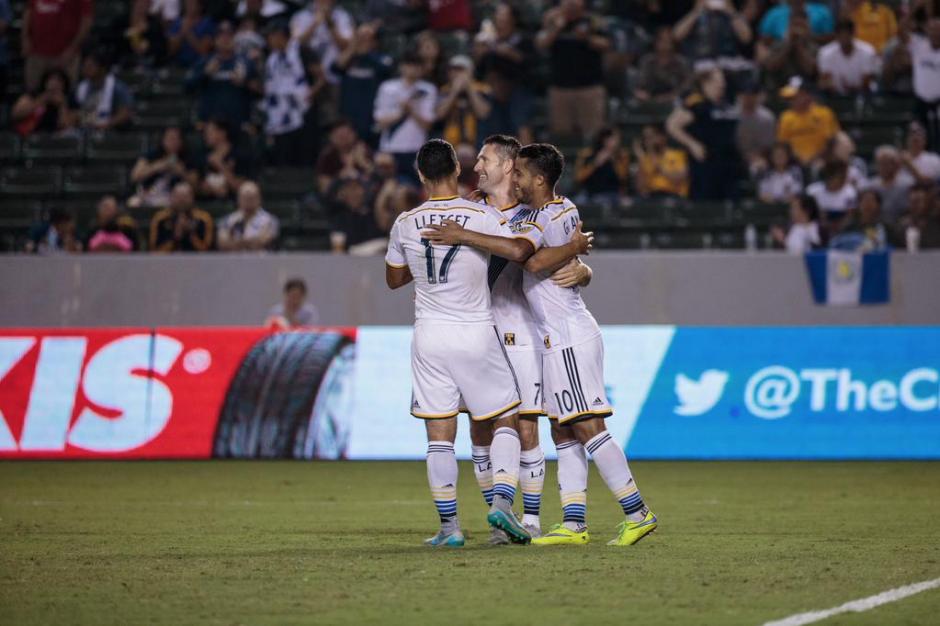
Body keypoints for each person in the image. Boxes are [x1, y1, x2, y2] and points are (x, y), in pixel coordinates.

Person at [428, 142, 657, 547]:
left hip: (565, 333)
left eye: (518, 172)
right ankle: (573, 522)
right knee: (563, 430)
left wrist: (577, 259)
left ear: (536, 178)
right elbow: (554, 251)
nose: (513, 177)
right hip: (554, 334)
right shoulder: (564, 207)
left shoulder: (541, 215)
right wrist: (577, 256)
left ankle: (636, 511)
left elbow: (527, 257)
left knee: (586, 426)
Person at [384, 138, 539, 547]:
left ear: (420, 175)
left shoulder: (404, 222)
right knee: (505, 418)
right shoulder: (480, 215)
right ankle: (503, 504)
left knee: (439, 435)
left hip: (429, 334)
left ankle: (450, 528)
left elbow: (394, 279)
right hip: (474, 329)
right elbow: (519, 250)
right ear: (458, 169)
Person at [468, 134, 593, 542]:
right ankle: (496, 517)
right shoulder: (469, 211)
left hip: (521, 329)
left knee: (526, 425)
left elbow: (560, 259)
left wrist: (586, 271)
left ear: (508, 168)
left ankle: (532, 517)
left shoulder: (534, 213)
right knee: (479, 427)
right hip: (474, 331)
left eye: (484, 159)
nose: (476, 167)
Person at [535, 0, 611, 140]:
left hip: (589, 87)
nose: (570, 4)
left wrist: (587, 38)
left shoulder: (593, 20)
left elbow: (607, 44)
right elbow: (541, 44)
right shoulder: (552, 20)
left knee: (593, 135)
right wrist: (556, 29)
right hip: (560, 88)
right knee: (561, 136)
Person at [666, 68, 740, 200]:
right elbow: (672, 125)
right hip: (705, 162)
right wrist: (693, 144)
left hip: (727, 162)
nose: (721, 84)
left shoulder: (726, 102)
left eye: (722, 80)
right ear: (705, 83)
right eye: (717, 80)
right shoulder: (697, 103)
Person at [473, 3, 535, 144]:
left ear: (513, 19)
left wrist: (508, 52)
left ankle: (528, 162)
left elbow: (530, 64)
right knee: (493, 130)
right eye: (498, 16)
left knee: (521, 124)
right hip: (494, 91)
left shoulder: (523, 39)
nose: (500, 20)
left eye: (503, 16)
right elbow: (479, 71)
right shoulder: (488, 40)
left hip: (518, 89)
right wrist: (479, 53)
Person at [262, 20, 320, 165]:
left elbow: (321, 76)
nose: (269, 40)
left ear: (280, 36)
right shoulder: (272, 58)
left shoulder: (301, 51)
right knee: (283, 149)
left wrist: (311, 92)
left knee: (304, 148)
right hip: (280, 109)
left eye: (271, 36)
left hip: (302, 107)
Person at [373, 52, 437, 182]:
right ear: (402, 67)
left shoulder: (428, 90)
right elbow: (380, 121)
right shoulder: (388, 88)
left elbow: (428, 125)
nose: (412, 69)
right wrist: (401, 112)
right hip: (390, 148)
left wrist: (411, 110)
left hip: (417, 148)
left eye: (416, 65)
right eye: (409, 64)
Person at [332, 21, 394, 146]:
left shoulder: (382, 58)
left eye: (367, 38)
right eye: (360, 38)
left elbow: (386, 69)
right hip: (348, 114)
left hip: (371, 115)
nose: (363, 41)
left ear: (375, 41)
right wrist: (353, 46)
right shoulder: (349, 57)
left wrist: (365, 53)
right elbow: (336, 68)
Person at [188, 20, 260, 129]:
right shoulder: (204, 62)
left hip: (239, 124)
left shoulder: (246, 62)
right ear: (215, 40)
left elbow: (260, 91)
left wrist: (244, 82)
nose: (225, 39)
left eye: (229, 35)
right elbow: (187, 87)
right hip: (212, 128)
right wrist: (205, 74)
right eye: (221, 36)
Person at [21, 0, 93, 92]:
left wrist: (72, 48)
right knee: (32, 91)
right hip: (36, 51)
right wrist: (25, 37)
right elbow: (28, 11)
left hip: (65, 54)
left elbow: (86, 21)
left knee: (65, 91)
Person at [672, 0, 753, 74]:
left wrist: (731, 11)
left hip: (727, 66)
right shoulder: (695, 15)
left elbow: (746, 38)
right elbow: (676, 35)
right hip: (698, 63)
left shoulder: (732, 16)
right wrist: (696, 12)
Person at [776, 77, 840, 166]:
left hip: (821, 160)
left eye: (794, 97)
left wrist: (814, 158)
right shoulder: (786, 117)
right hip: (794, 162)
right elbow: (784, 144)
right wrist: (796, 159)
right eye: (789, 99)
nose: (791, 101)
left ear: (807, 95)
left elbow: (830, 142)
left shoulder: (823, 113)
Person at [291, 0, 354, 87]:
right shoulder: (301, 16)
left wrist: (330, 23)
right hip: (305, 78)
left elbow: (347, 46)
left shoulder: (343, 16)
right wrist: (315, 24)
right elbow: (296, 44)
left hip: (333, 78)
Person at [130, 126, 196, 209]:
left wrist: (181, 171)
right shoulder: (153, 155)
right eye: (170, 139)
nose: (173, 142)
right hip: (150, 192)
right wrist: (157, 166)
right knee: (133, 202)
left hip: (174, 197)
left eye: (176, 139)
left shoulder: (187, 157)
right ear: (163, 140)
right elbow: (135, 176)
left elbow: (195, 183)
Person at [435, 55, 492, 148]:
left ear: (471, 72)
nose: (456, 73)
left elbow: (483, 113)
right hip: (448, 145)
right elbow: (440, 114)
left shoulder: (483, 89)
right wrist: (454, 92)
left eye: (461, 70)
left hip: (478, 144)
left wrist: (469, 89)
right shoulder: (444, 91)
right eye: (453, 70)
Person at [74, 52, 134, 131]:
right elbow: (76, 111)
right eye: (84, 66)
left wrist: (107, 124)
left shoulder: (117, 87)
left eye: (90, 66)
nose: (86, 69)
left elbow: (126, 113)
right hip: (87, 129)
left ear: (102, 68)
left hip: (112, 132)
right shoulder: (82, 87)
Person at [633, 26, 693, 103]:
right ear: (656, 42)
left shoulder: (681, 63)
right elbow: (640, 84)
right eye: (661, 40)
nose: (665, 43)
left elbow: (687, 86)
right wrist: (641, 93)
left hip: (674, 100)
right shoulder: (647, 61)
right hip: (650, 99)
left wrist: (671, 96)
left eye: (668, 40)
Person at [817, 19, 878, 95]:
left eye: (847, 34)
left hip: (863, 94)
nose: (844, 38)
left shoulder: (868, 51)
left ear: (853, 34)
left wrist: (852, 89)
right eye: (841, 34)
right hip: (835, 96)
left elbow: (867, 81)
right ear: (836, 35)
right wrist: (833, 88)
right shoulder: (825, 53)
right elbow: (825, 79)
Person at [327, 176, 386, 254]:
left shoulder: (376, 215)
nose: (353, 193)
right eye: (349, 189)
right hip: (352, 263)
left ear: (364, 191)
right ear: (343, 193)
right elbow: (338, 251)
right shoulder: (340, 219)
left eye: (356, 188)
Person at [11, 68, 79, 136]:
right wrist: (40, 101)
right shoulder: (33, 95)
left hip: (56, 137)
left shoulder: (70, 100)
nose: (54, 83)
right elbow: (16, 114)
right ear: (45, 82)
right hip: (31, 134)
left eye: (59, 81)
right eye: (51, 79)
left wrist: (62, 105)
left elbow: (66, 125)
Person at [149, 181, 214, 252]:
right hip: (167, 261)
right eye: (178, 197)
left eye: (185, 197)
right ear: (171, 197)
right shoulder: (160, 219)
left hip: (195, 260)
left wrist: (189, 234)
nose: (182, 200)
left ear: (192, 198)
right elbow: (154, 251)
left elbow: (206, 251)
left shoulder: (203, 219)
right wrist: (175, 237)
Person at [574, 126, 630, 206]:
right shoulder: (587, 154)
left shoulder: (622, 155)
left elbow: (623, 177)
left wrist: (613, 159)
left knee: (602, 202)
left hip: (612, 193)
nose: (617, 142)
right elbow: (579, 177)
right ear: (604, 140)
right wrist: (595, 163)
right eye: (613, 139)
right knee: (576, 204)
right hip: (589, 192)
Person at [315, 119, 373, 194]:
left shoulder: (364, 151)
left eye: (346, 134)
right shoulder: (327, 156)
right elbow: (325, 187)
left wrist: (363, 163)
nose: (343, 139)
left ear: (354, 134)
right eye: (339, 135)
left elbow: (375, 180)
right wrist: (341, 176)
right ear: (331, 137)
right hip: (338, 197)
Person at [217, 181, 279, 251]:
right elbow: (223, 243)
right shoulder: (228, 219)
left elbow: (262, 242)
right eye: (245, 197)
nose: (248, 201)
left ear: (259, 199)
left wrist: (235, 242)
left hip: (260, 259)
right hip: (233, 260)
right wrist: (251, 242)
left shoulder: (269, 220)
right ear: (238, 199)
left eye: (251, 198)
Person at [908, 17, 940, 151]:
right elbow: (902, 32)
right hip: (920, 99)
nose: (935, 33)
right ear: (927, 30)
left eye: (938, 30)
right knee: (917, 132)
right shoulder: (918, 45)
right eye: (932, 29)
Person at [197, 118, 250, 198]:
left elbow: (242, 188)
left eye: (210, 132)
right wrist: (209, 189)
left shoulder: (238, 155)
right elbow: (198, 186)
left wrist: (220, 165)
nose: (206, 135)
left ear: (222, 133)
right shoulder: (204, 155)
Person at [633, 124, 690, 198]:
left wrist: (659, 167)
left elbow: (680, 179)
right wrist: (641, 160)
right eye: (645, 138)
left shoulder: (678, 155)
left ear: (663, 137)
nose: (648, 141)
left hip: (674, 196)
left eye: (651, 137)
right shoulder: (645, 159)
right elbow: (640, 188)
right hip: (652, 197)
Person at [863, 145, 915, 225]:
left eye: (886, 163)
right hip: (878, 227)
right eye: (880, 163)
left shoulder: (908, 183)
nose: (882, 167)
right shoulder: (871, 185)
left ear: (896, 165)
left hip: (901, 226)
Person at [736, 81, 777, 170]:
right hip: (735, 156)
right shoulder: (732, 116)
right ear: (739, 96)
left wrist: (754, 157)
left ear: (757, 96)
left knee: (758, 167)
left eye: (751, 95)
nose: (748, 98)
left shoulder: (767, 117)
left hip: (759, 157)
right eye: (745, 95)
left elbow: (768, 146)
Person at [806, 160, 857, 230]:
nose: (844, 179)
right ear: (829, 177)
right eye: (841, 177)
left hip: (842, 229)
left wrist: (838, 228)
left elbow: (850, 216)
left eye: (845, 176)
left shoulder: (849, 192)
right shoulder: (813, 191)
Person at [167, 0, 216, 68]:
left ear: (200, 6)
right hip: (177, 64)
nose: (189, 6)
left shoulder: (207, 23)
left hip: (199, 65)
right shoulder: (177, 22)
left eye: (192, 3)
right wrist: (182, 33)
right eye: (187, 3)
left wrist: (188, 33)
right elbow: (170, 50)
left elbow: (203, 51)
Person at [759, 0, 834, 41]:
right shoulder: (774, 13)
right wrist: (785, 40)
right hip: (781, 54)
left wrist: (810, 37)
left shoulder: (822, 12)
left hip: (811, 52)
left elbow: (831, 38)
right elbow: (763, 37)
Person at [898, 184, 940, 250]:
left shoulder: (936, 225)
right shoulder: (901, 226)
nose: (914, 206)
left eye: (918, 201)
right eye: (911, 202)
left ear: (929, 202)